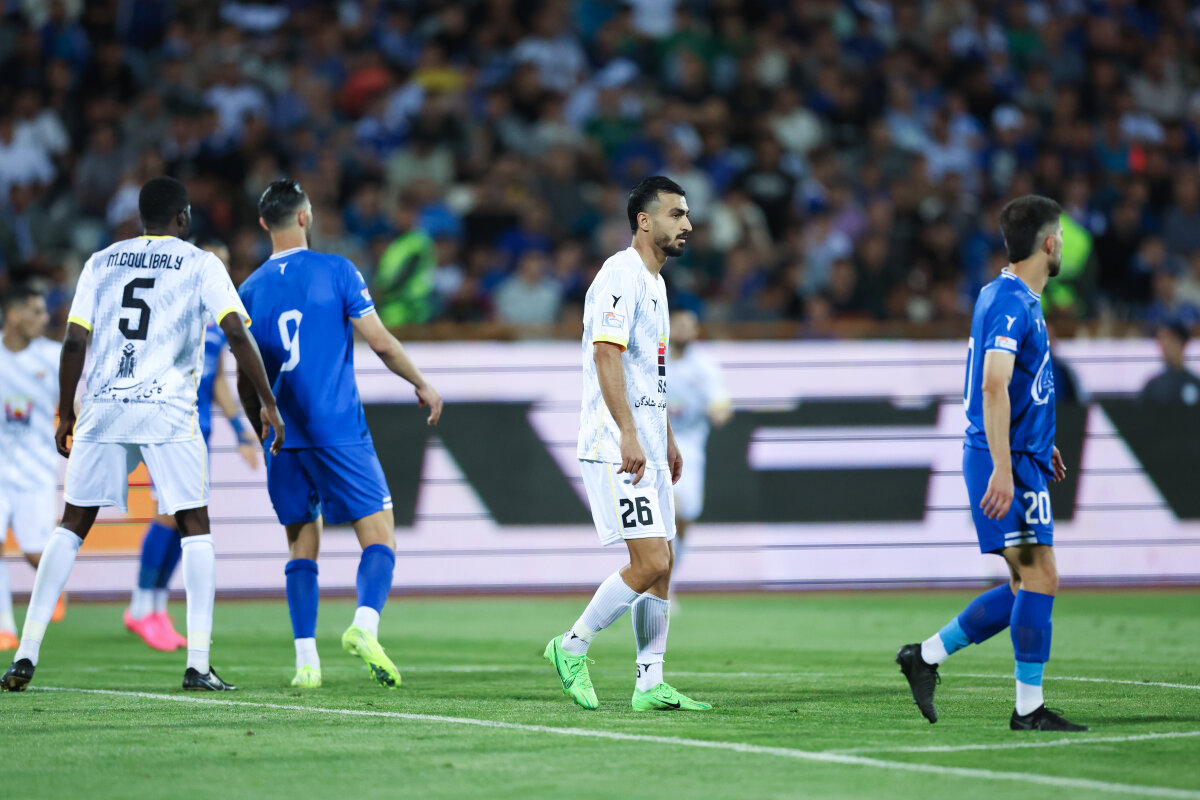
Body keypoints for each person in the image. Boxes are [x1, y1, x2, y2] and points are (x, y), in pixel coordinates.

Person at [1, 176, 283, 693]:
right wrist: (267, 401)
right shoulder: (201, 263)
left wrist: (65, 412)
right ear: (183, 218)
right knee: (194, 525)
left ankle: (25, 654)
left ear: (140, 218)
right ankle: (198, 664)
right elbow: (236, 332)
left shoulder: (101, 261)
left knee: (72, 524)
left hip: (104, 408)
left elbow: (73, 341)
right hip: (167, 409)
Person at [238, 179, 443, 690]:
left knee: (300, 544)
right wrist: (420, 382)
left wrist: (261, 422)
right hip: (337, 428)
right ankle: (364, 625)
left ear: (264, 224)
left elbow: (244, 374)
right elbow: (381, 343)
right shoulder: (337, 270)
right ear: (304, 216)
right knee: (379, 535)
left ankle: (306, 662)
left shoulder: (248, 290)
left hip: (282, 435)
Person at [895, 195, 1088, 731]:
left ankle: (925, 656)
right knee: (1041, 574)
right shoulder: (1010, 302)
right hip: (1003, 460)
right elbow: (994, 385)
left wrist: (1040, 439)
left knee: (1026, 583)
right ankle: (1028, 710)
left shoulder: (1010, 294)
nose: (1062, 243)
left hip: (1020, 453)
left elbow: (1018, 386)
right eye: (1060, 235)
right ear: (1048, 242)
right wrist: (1004, 465)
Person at [544, 176, 710, 712]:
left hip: (648, 445)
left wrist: (666, 438)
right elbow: (606, 354)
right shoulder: (620, 274)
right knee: (650, 560)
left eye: (687, 215)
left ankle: (649, 681)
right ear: (644, 220)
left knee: (664, 563)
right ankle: (572, 645)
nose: (687, 225)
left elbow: (651, 374)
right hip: (617, 445)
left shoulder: (656, 284)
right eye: (676, 214)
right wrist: (630, 434)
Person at [123, 239, 262, 652]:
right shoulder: (169, 311)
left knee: (186, 519)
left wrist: (240, 430)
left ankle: (154, 607)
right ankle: (142, 606)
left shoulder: (217, 321)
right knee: (170, 516)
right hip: (167, 426)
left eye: (224, 262)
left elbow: (216, 380)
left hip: (199, 432)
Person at [0, 285, 65, 650]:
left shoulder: (52, 357)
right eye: (36, 311)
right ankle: (5, 627)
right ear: (13, 315)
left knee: (34, 553)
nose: (44, 318)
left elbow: (72, 404)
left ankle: (55, 585)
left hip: (37, 473)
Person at [665, 309, 731, 606]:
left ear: (695, 332)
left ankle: (666, 578)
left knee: (685, 516)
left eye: (687, 327)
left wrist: (719, 411)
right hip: (654, 444)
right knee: (669, 508)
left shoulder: (704, 366)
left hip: (688, 446)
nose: (681, 331)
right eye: (677, 325)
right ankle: (654, 580)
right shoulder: (654, 359)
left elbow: (720, 402)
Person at [1138, 322, 1200, 405]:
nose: (1164, 345)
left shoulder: (1195, 383)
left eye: (1169, 339)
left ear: (1182, 343)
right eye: (1161, 340)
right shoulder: (1154, 385)